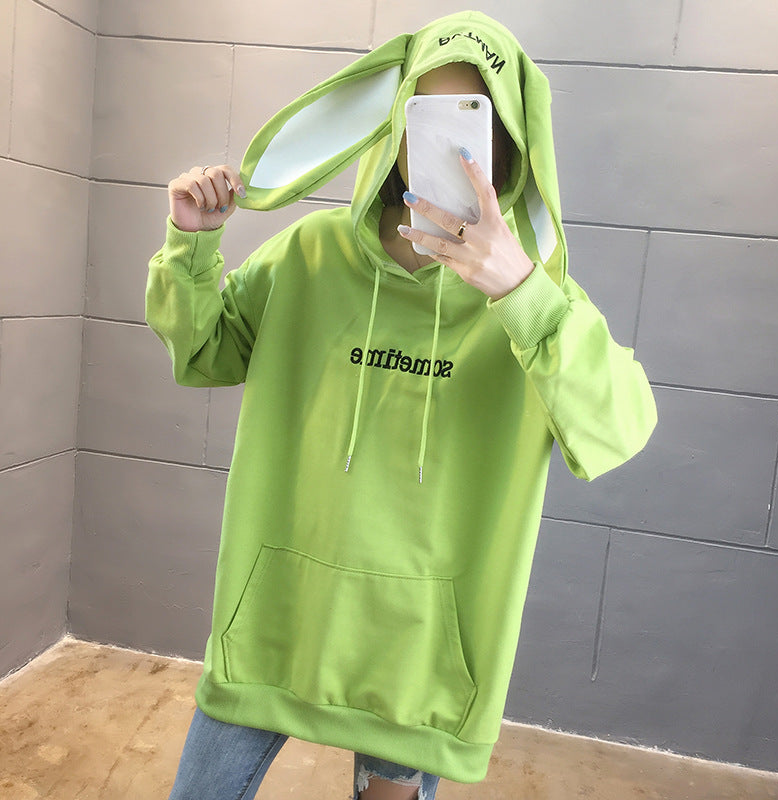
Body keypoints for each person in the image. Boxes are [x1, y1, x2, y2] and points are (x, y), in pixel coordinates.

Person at [146, 11, 657, 800]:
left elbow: (618, 427)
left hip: (417, 658)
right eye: (427, 112)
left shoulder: (532, 299)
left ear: (511, 143)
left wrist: (521, 292)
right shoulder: (309, 255)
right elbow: (206, 351)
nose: (448, 143)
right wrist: (193, 243)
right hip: (274, 621)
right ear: (396, 122)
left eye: (474, 118)